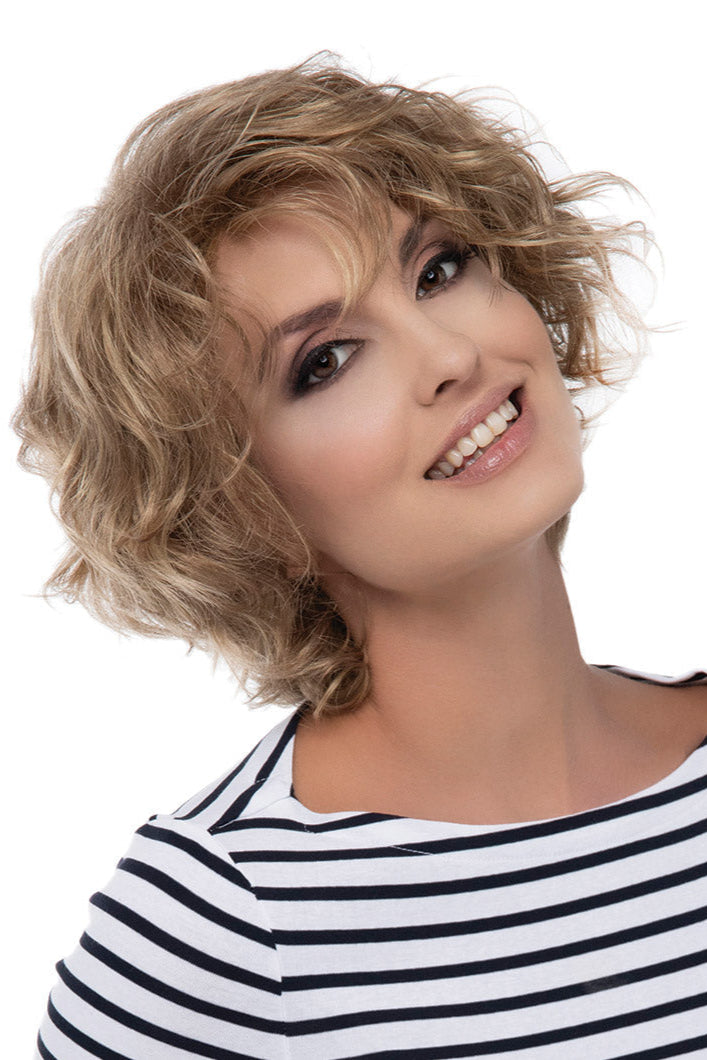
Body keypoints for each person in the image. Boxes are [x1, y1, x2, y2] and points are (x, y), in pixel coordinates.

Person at [17, 56, 707, 1059]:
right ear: (236, 509)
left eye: (438, 270)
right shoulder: (220, 923)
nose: (450, 356)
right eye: (325, 362)